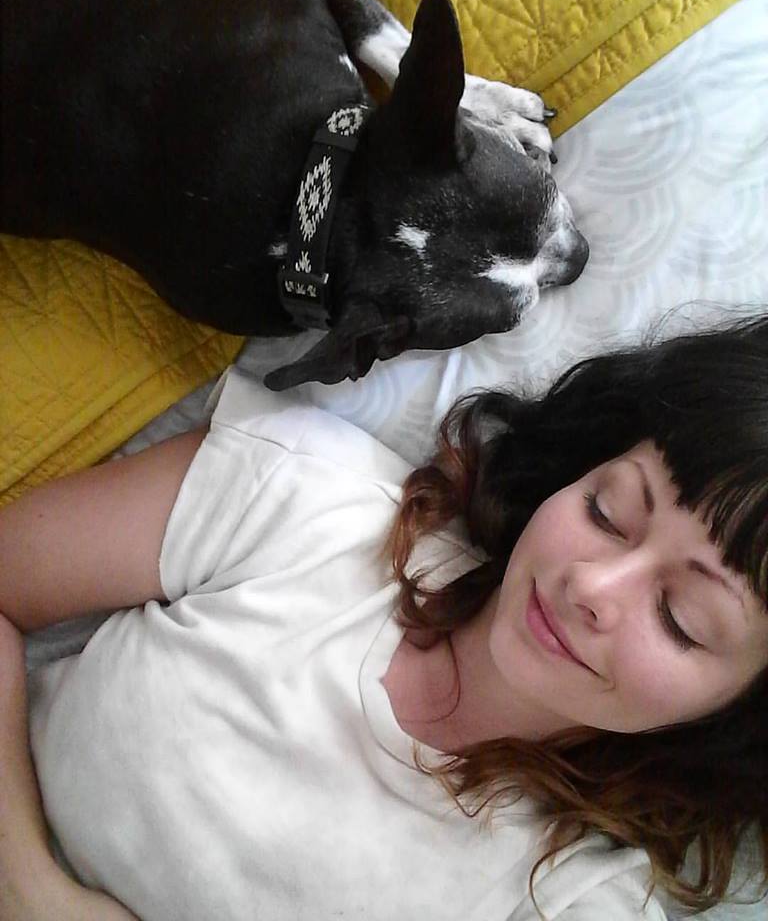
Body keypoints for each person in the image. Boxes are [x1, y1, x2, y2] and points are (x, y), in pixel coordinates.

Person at [1, 315, 767, 921]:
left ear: (742, 712)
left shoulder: (571, 898)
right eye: (607, 509)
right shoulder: (306, 493)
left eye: (682, 618)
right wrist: (30, 887)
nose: (591, 585)